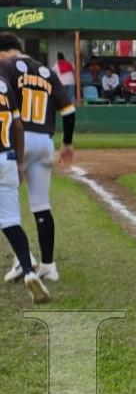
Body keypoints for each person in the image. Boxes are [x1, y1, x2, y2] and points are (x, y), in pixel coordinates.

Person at [0, 34, 76, 287]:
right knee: (41, 205)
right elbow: (69, 111)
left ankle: (23, 259)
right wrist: (67, 143)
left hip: (18, 139)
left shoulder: (5, 66)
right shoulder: (46, 71)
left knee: (7, 202)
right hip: (44, 140)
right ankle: (48, 266)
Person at [0, 66, 47, 302]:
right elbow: (18, 126)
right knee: (10, 221)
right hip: (7, 159)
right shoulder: (4, 85)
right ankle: (28, 271)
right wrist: (19, 162)